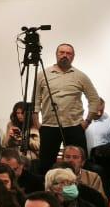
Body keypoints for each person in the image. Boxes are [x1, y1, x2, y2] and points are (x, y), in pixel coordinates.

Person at [33, 42, 98, 173]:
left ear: (73, 56)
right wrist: (37, 124)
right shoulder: (43, 75)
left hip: (74, 126)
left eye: (68, 53)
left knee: (79, 166)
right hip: (49, 127)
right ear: (56, 55)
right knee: (45, 165)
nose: (65, 55)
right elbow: (35, 101)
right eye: (61, 52)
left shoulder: (80, 76)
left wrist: (86, 122)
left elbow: (94, 99)